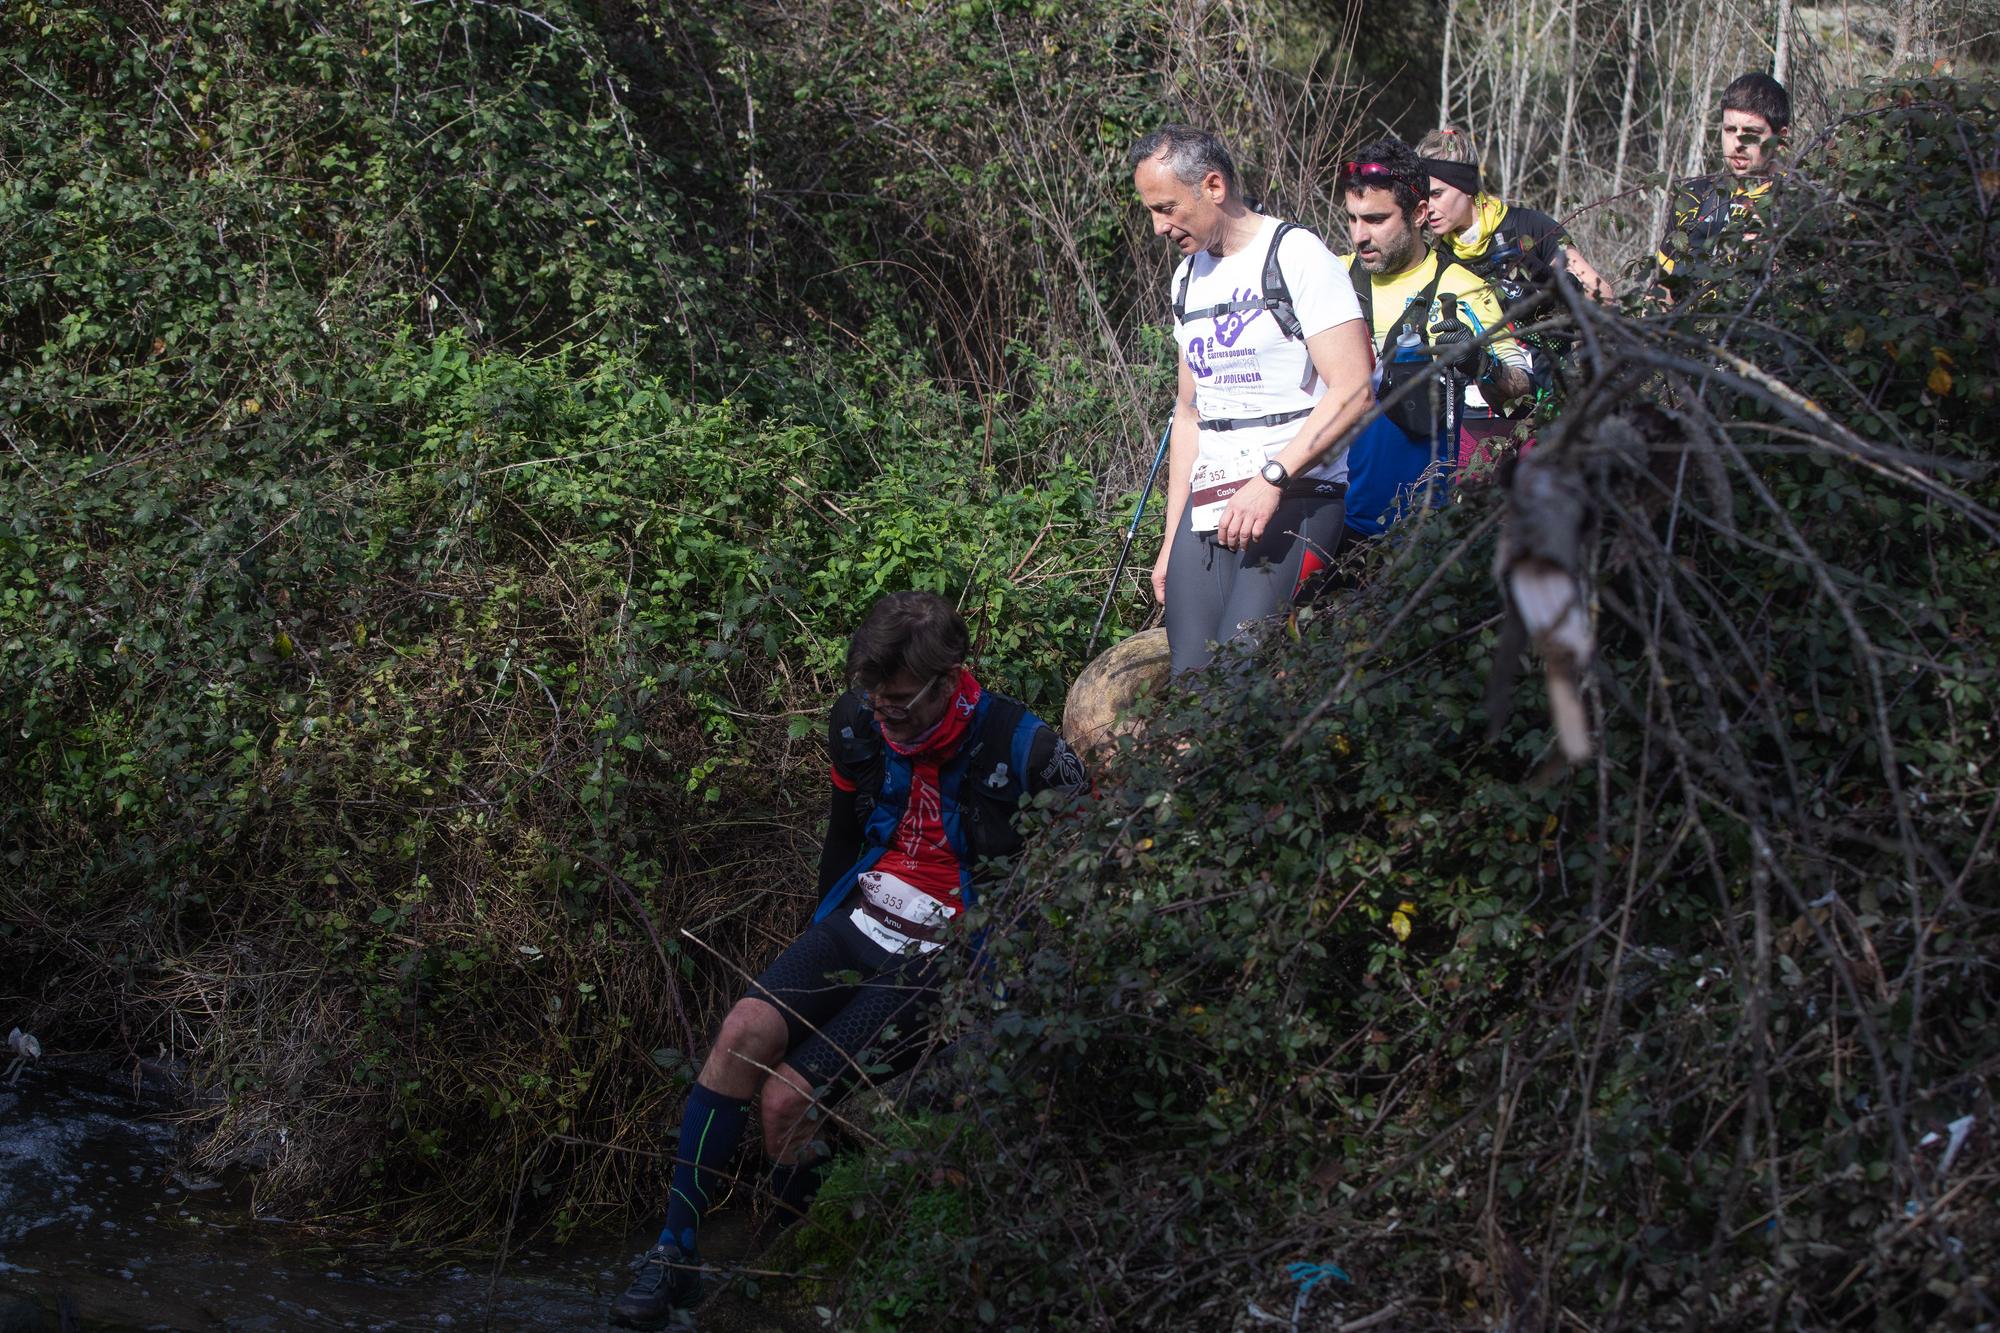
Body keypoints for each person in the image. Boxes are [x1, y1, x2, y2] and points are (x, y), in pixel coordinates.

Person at [610, 592, 1087, 1327]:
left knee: (785, 1102)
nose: (882, 713)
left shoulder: (1024, 745)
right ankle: (675, 1251)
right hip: (859, 917)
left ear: (951, 675)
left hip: (947, 947)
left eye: (898, 701)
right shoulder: (857, 721)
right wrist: (814, 940)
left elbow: (1074, 872)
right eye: (873, 696)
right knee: (742, 1032)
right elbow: (841, 836)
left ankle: (789, 1261)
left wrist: (1004, 984)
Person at [1128, 125, 1375, 675]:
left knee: (1241, 675)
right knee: (1192, 679)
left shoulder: (1297, 255)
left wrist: (1272, 479)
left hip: (1298, 493)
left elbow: (1355, 387)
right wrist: (1170, 540)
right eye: (1151, 210)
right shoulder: (1186, 280)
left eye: (1166, 208)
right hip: (1212, 499)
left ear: (1212, 186)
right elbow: (1189, 414)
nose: (1158, 226)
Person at [1334, 137, 1533, 542]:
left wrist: (1482, 364)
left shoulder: (1461, 289)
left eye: (1375, 219)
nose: (1359, 236)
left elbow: (1523, 397)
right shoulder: (1329, 278)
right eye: (1353, 219)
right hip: (1327, 521)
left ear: (1420, 213)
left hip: (1417, 531)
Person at [1415, 125, 1615, 302]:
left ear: (1466, 186)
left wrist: (1551, 279)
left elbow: (1603, 297)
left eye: (1437, 194)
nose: (1428, 207)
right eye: (1424, 196)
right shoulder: (1436, 254)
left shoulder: (1530, 226)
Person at [1655, 72, 1791, 290]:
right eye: (1730, 130)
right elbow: (1662, 293)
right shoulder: (1695, 196)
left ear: (1780, 138)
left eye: (1751, 132)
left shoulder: (1800, 203)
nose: (1737, 143)